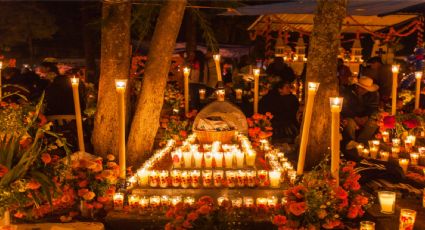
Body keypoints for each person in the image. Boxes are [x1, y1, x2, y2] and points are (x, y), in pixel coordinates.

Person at [343, 76, 380, 148]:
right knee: (349, 123)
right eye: (362, 88)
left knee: (373, 123)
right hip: (351, 116)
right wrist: (355, 118)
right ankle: (351, 144)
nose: (364, 91)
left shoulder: (373, 94)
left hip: (364, 117)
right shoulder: (348, 92)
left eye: (366, 89)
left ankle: (361, 143)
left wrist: (366, 117)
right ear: (357, 86)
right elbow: (345, 108)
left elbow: (373, 107)